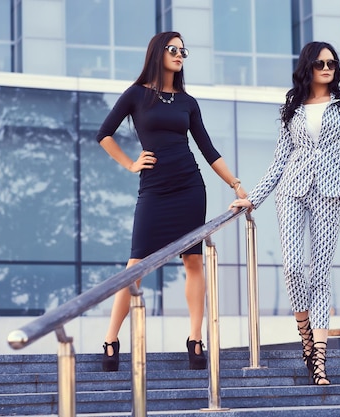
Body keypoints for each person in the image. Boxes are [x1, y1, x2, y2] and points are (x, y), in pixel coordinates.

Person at [96, 31, 247, 372]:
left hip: (190, 186)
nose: (180, 55)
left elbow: (208, 149)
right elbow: (104, 134)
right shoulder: (136, 95)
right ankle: (110, 339)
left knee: (193, 261)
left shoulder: (188, 102)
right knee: (136, 265)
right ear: (157, 53)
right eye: (173, 49)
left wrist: (236, 184)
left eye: (183, 51)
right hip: (155, 188)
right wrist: (131, 163)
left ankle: (195, 338)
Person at [229, 41, 340, 385]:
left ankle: (320, 358)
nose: (328, 68)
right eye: (321, 63)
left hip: (330, 192)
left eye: (332, 63)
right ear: (307, 66)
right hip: (291, 190)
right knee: (294, 268)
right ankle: (305, 339)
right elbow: (281, 158)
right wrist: (254, 198)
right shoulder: (291, 104)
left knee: (320, 273)